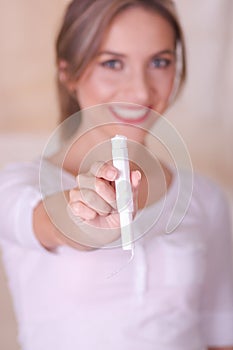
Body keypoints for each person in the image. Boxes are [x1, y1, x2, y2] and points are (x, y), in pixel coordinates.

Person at [0, 1, 233, 349]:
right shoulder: (15, 187)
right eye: (112, 63)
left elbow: (220, 333)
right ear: (68, 72)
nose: (140, 91)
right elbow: (54, 222)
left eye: (159, 61)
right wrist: (89, 214)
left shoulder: (205, 197)